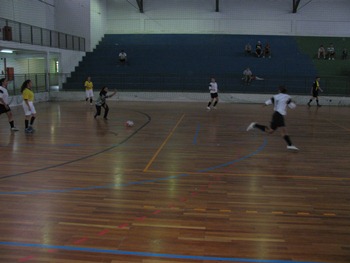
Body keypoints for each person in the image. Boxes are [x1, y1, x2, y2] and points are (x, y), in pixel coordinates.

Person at [246, 86, 299, 151]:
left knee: (270, 131)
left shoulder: (275, 96)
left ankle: (255, 125)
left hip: (276, 114)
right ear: (285, 91)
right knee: (283, 131)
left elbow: (267, 102)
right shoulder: (288, 97)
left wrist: (263, 106)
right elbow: (293, 107)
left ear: (279, 91)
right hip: (279, 115)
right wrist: (294, 103)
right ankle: (290, 145)